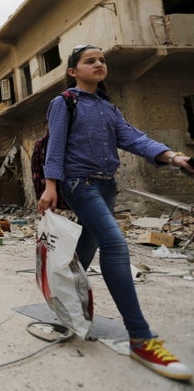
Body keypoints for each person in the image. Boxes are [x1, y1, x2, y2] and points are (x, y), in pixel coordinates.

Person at [37, 44, 193, 381]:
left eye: (102, 60)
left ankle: (65, 310)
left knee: (81, 255)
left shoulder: (107, 106)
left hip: (107, 186)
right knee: (115, 244)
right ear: (73, 71)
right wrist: (51, 186)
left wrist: (172, 157)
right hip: (80, 184)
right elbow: (55, 145)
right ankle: (141, 338)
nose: (99, 64)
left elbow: (134, 138)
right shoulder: (64, 102)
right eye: (90, 61)